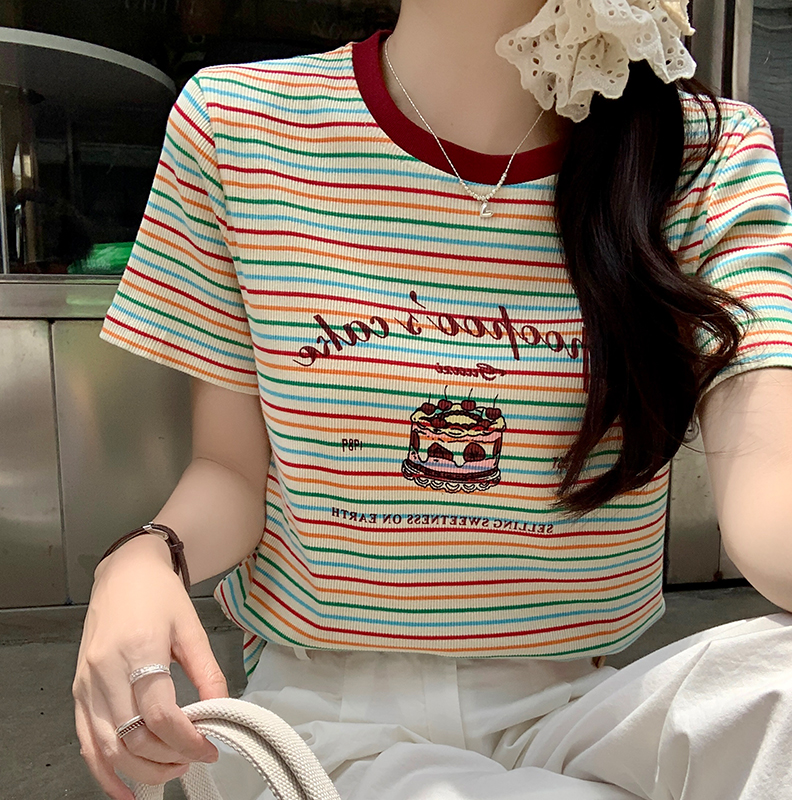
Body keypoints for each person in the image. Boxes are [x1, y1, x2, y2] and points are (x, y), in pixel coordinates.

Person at [73, 1, 792, 798]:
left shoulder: (706, 155)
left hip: (582, 711)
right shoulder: (240, 125)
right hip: (324, 726)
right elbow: (230, 470)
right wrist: (146, 556)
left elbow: (771, 489)